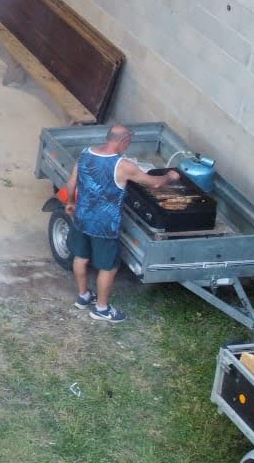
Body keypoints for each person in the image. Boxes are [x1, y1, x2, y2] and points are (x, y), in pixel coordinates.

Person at [65, 124, 180, 322]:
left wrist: (70, 202)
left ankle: (83, 296)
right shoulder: (123, 165)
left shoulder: (86, 153)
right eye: (128, 143)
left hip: (82, 217)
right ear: (122, 140)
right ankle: (101, 309)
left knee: (81, 257)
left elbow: (72, 181)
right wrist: (170, 175)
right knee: (108, 267)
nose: (128, 146)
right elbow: (154, 183)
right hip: (105, 225)